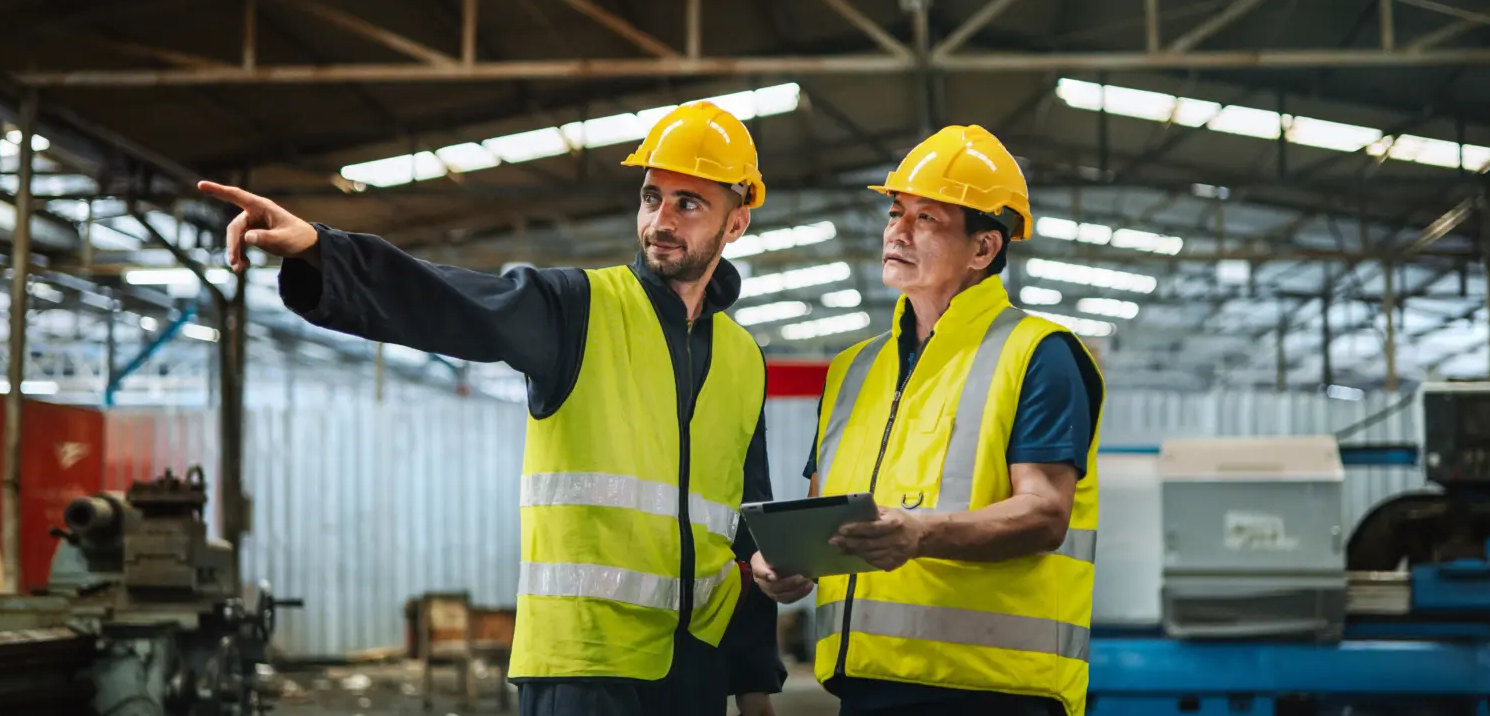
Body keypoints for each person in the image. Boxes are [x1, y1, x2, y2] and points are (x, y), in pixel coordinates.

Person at [198, 101, 786, 716]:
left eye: (688, 203)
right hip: (583, 671)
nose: (660, 219)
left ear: (736, 222)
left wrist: (754, 686)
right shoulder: (577, 309)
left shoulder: (744, 359)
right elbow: (454, 301)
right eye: (650, 197)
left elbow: (747, 534)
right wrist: (323, 251)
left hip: (695, 672)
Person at [749, 124, 1105, 716]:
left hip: (989, 689)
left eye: (927, 218)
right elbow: (822, 511)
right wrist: (787, 563)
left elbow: (1044, 513)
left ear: (985, 248)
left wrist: (923, 533)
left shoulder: (1040, 354)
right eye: (895, 212)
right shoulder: (852, 369)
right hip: (863, 684)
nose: (897, 231)